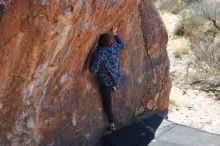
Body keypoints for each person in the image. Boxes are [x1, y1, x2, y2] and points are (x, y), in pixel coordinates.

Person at [89, 26, 124, 132]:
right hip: (117, 77)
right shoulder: (113, 47)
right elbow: (122, 45)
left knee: (107, 103)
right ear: (109, 42)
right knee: (114, 66)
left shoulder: (99, 53)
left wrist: (94, 55)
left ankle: (112, 124)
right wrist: (115, 34)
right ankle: (114, 85)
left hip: (105, 82)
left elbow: (93, 70)